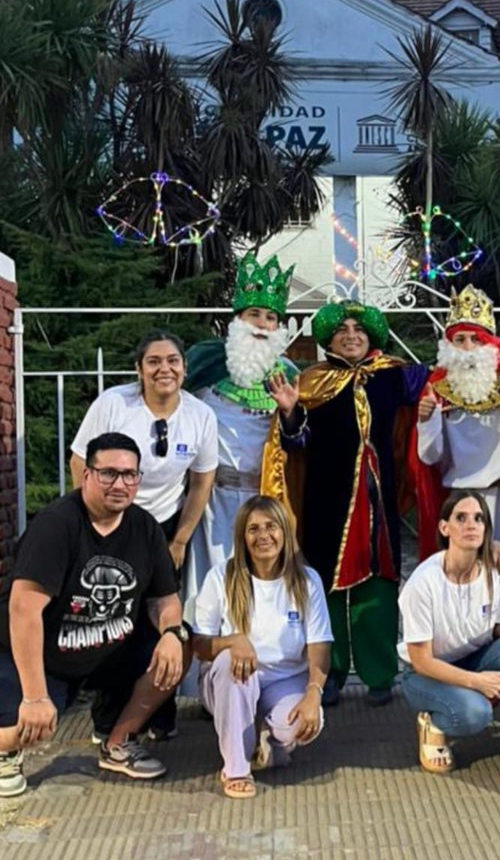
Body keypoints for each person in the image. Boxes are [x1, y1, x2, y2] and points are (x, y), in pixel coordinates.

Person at [0, 433, 190, 798]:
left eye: (129, 475)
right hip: (43, 657)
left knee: (180, 645)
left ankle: (116, 741)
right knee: (29, 726)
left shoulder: (144, 528)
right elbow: (24, 610)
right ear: (87, 476)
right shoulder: (57, 524)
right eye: (108, 474)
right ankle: (7, 751)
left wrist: (171, 633)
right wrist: (36, 696)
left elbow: (165, 599)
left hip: (106, 648)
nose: (120, 484)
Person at [260, 299, 429, 707]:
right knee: (326, 589)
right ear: (329, 339)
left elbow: (447, 383)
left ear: (372, 335)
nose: (351, 335)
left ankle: (380, 674)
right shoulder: (312, 383)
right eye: (342, 330)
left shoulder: (395, 377)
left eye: (358, 328)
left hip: (378, 501)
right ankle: (328, 673)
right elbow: (296, 443)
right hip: (326, 500)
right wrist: (288, 413)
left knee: (379, 586)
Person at [70, 330, 218, 739]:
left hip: (166, 526)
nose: (163, 369)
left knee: (163, 621)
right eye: (153, 361)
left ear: (184, 369)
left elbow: (202, 482)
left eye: (172, 360)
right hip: (115, 519)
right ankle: (107, 719)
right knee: (116, 618)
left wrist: (180, 539)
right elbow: (80, 461)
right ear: (139, 370)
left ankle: (158, 714)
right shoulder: (113, 405)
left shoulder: (200, 415)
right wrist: (96, 519)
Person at [398, 490, 500, 795]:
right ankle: (433, 724)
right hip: (424, 674)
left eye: (479, 518)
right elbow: (421, 660)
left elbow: (498, 628)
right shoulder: (423, 582)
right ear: (444, 528)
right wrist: (476, 681)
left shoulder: (496, 571)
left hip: (471, 657)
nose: (471, 524)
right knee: (476, 713)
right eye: (461, 518)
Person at [192, 496, 332, 799]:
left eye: (271, 527)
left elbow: (319, 645)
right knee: (232, 662)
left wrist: (313, 693)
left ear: (285, 531)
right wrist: (232, 640)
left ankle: (267, 737)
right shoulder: (221, 577)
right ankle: (236, 768)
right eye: (253, 529)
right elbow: (199, 646)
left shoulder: (307, 580)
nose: (263, 536)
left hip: (284, 679)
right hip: (234, 680)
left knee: (306, 724)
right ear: (242, 536)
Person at [183, 253, 298, 604]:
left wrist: (291, 412)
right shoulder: (206, 362)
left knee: (259, 584)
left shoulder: (289, 375)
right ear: (238, 319)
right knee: (209, 587)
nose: (262, 324)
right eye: (255, 315)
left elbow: (300, 443)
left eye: (271, 317)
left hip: (263, 497)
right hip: (212, 497)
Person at [413, 285, 500, 556]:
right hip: (461, 501)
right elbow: (430, 458)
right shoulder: (437, 388)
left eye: (476, 340)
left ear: (490, 344)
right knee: (464, 578)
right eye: (460, 340)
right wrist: (426, 421)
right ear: (448, 346)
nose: (468, 349)